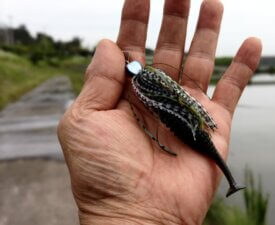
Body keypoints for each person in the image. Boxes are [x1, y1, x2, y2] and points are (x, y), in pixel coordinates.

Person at [57, 0, 262, 224]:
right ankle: (231, 182)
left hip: (184, 127)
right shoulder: (143, 84)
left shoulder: (142, 83)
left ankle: (232, 182)